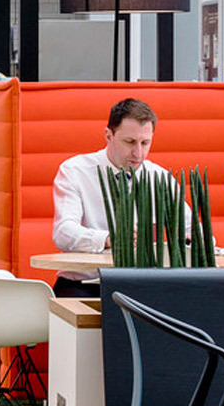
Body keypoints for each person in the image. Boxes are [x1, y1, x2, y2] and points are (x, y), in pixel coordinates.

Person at [49, 98, 176, 295]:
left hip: (142, 286)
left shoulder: (159, 177)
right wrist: (109, 239)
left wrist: (192, 238)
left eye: (145, 143)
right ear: (108, 135)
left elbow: (191, 230)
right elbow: (63, 233)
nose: (138, 153)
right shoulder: (75, 171)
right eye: (130, 142)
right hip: (84, 285)